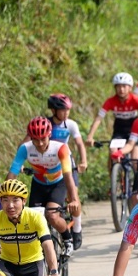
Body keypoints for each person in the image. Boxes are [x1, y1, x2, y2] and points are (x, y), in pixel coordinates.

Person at [8, 116, 81, 257]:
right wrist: (5, 198)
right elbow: (12, 174)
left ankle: (67, 239)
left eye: (43, 139)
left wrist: (73, 199)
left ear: (49, 135)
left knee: (52, 216)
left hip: (58, 183)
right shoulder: (25, 149)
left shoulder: (60, 148)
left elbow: (68, 176)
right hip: (39, 185)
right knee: (33, 220)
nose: (40, 143)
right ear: (30, 138)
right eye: (35, 140)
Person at [46, 93, 86, 249]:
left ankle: (77, 228)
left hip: (67, 163)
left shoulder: (70, 124)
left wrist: (83, 161)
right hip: (49, 165)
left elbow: (79, 143)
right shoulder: (46, 124)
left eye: (68, 110)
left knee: (73, 195)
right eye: (63, 110)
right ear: (53, 110)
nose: (66, 113)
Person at [86, 72, 138, 145]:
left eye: (124, 86)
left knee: (136, 151)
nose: (121, 89)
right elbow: (99, 118)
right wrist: (90, 136)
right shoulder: (110, 101)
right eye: (118, 86)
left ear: (130, 87)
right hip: (119, 130)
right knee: (113, 150)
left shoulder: (136, 99)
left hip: (134, 130)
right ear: (115, 88)